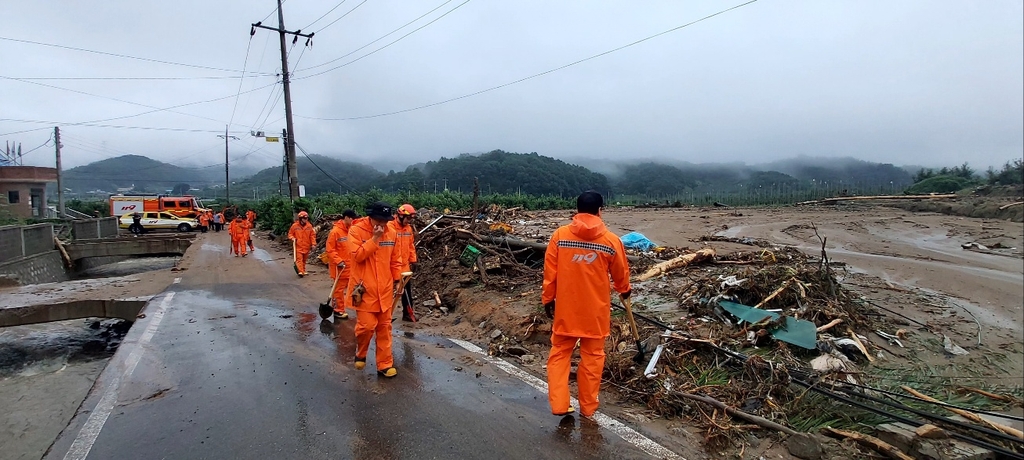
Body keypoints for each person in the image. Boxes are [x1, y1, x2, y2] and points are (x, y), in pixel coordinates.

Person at [542, 190, 631, 418]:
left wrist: (548, 299)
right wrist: (624, 291)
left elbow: (550, 274)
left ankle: (560, 404)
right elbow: (621, 275)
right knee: (592, 358)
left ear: (577, 210)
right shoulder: (611, 241)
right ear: (600, 210)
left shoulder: (560, 236)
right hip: (596, 312)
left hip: (566, 310)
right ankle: (588, 408)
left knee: (560, 354)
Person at [345, 201, 402, 378]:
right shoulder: (356, 231)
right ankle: (361, 353)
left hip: (384, 289)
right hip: (363, 290)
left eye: (385, 221)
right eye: (379, 220)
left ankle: (384, 364)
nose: (382, 225)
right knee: (366, 327)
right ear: (370, 217)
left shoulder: (392, 233)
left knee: (385, 327)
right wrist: (375, 239)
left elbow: (395, 259)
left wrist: (398, 279)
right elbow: (358, 256)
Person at [388, 203, 418, 322]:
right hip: (390, 266)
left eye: (411, 219)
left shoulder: (408, 229)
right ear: (400, 216)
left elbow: (411, 246)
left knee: (407, 292)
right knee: (388, 292)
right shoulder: (389, 227)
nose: (409, 221)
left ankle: (407, 313)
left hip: (404, 266)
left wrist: (413, 260)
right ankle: (384, 315)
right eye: (408, 218)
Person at [326, 210, 357, 321]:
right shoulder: (335, 232)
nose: (353, 220)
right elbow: (330, 250)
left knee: (352, 288)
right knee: (338, 290)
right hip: (339, 267)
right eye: (352, 218)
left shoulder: (351, 231)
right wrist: (338, 261)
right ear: (346, 218)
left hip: (350, 266)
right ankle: (338, 310)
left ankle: (351, 307)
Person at [288, 211, 316, 276]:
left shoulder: (309, 226)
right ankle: (300, 271)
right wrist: (292, 238)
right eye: (304, 218)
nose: (306, 220)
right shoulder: (294, 226)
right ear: (300, 218)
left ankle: (303, 270)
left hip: (306, 246)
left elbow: (312, 236)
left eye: (306, 218)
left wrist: (313, 244)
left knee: (304, 259)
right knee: (299, 259)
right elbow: (290, 234)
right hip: (298, 246)